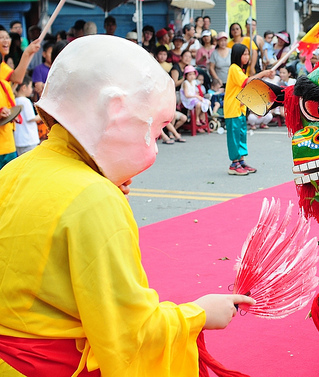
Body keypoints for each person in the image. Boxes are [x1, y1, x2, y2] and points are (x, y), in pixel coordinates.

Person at [0, 36, 254, 375]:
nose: (157, 145)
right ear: (115, 110)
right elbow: (130, 335)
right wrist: (199, 314)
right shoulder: (93, 199)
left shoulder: (14, 169)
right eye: (157, 127)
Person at [224, 43, 274, 175]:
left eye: (247, 54)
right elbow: (246, 82)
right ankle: (234, 164)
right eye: (244, 54)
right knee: (234, 136)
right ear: (237, 55)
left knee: (241, 135)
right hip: (232, 109)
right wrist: (263, 73)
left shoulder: (241, 70)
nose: (247, 57)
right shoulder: (234, 68)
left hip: (240, 108)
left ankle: (241, 161)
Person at [0, 26, 40, 170]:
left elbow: (17, 77)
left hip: (8, 141)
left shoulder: (2, 67)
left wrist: (28, 53)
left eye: (7, 37)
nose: (5, 40)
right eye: (1, 37)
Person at [12, 75, 41, 155]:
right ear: (24, 87)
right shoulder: (25, 101)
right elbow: (31, 118)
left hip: (18, 140)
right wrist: (41, 116)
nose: (32, 89)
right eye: (30, 86)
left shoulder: (14, 100)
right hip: (29, 139)